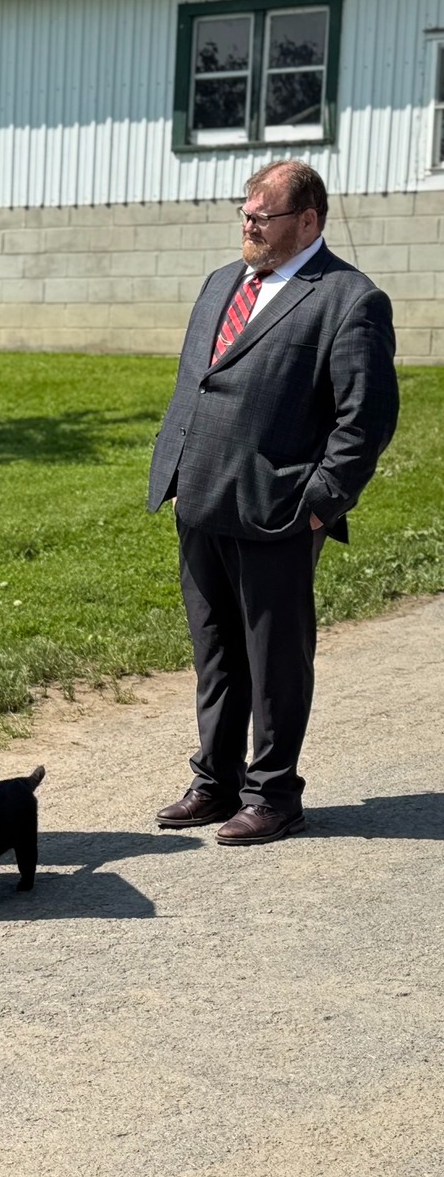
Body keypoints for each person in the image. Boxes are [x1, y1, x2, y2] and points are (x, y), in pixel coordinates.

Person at [148, 160, 398, 845]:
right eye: (246, 211)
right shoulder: (221, 284)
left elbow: (366, 419)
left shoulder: (348, 299)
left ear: (309, 221)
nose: (248, 224)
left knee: (275, 658)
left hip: (278, 511)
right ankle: (216, 780)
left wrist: (318, 504)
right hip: (199, 500)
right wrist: (173, 471)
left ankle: (274, 792)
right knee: (217, 653)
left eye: (264, 214)